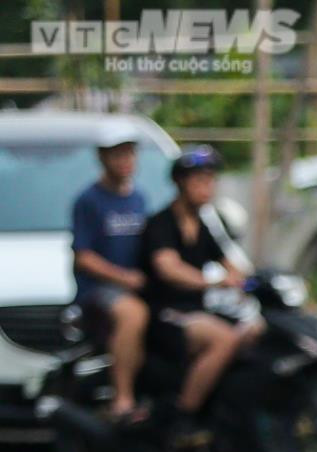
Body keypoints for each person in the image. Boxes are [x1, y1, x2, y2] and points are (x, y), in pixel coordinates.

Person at [139, 146, 259, 420]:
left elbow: (231, 264)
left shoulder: (203, 226)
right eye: (200, 181)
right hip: (166, 315)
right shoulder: (162, 224)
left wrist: (253, 281)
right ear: (181, 183)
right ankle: (184, 414)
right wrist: (214, 283)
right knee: (224, 339)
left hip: (197, 311)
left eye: (211, 181)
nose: (208, 188)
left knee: (253, 332)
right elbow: (169, 269)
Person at [70, 120, 152, 422]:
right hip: (99, 291)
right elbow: (84, 257)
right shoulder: (89, 201)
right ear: (102, 158)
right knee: (133, 314)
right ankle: (123, 399)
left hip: (135, 287)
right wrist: (124, 277)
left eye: (129, 153)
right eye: (118, 154)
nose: (125, 161)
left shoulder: (139, 198)